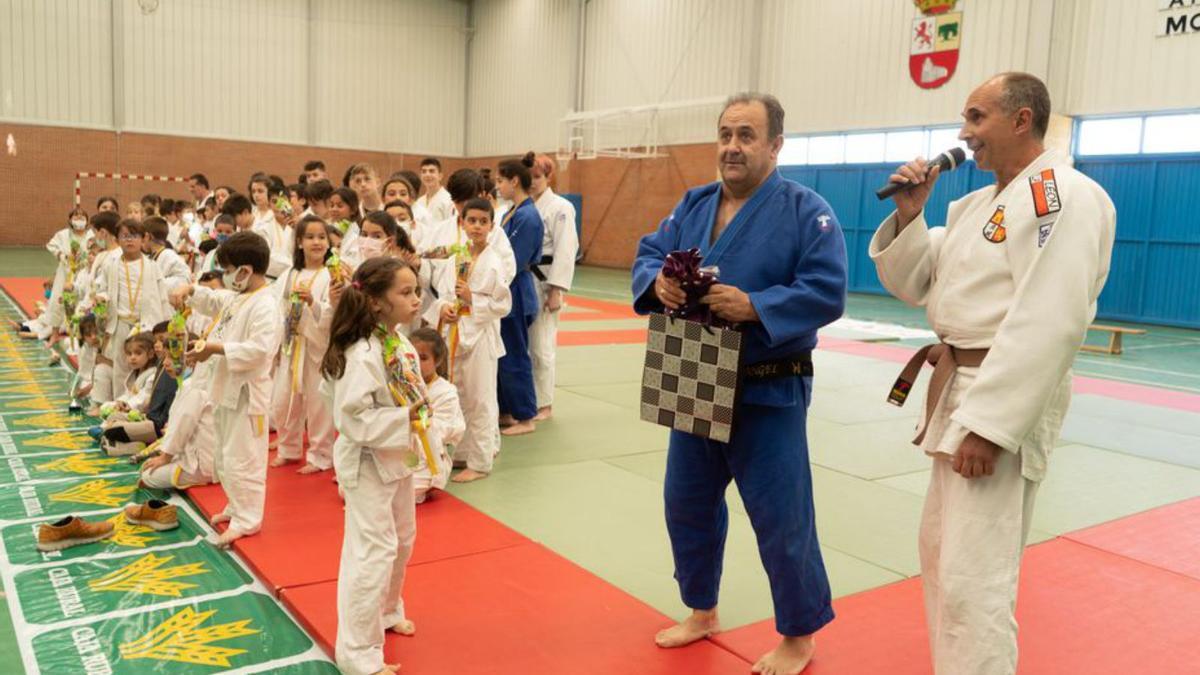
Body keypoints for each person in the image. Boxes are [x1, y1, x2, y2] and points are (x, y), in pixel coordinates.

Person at [869, 72, 1116, 675]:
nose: (964, 133)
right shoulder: (977, 204)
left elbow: (1050, 319)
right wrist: (910, 216)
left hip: (994, 398)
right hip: (957, 385)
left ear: (1022, 119)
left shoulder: (1063, 197)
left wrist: (990, 425)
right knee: (940, 558)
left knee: (973, 577)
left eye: (976, 118)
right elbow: (914, 285)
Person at [631, 92, 847, 675]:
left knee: (782, 514)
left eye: (747, 135)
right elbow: (649, 254)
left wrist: (758, 305)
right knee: (687, 503)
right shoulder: (692, 203)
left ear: (775, 145)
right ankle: (702, 609)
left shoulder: (808, 211)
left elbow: (828, 289)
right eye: (726, 133)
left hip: (768, 384)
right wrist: (659, 285)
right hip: (695, 369)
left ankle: (799, 635)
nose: (732, 146)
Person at [320, 257, 423, 675]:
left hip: (397, 455)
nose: (416, 300)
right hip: (366, 462)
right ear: (378, 303)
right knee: (372, 552)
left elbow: (413, 393)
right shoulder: (362, 352)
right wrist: (407, 420)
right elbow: (352, 419)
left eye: (416, 290)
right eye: (406, 292)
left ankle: (387, 609)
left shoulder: (398, 342)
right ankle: (358, 654)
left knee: (402, 540)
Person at [171, 231, 282, 548]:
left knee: (243, 459)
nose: (225, 277)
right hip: (226, 391)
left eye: (229, 270)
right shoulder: (239, 296)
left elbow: (259, 351)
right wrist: (189, 290)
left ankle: (248, 518)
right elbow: (214, 299)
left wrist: (214, 349)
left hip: (249, 396)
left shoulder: (266, 305)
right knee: (225, 456)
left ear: (245, 271)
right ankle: (236, 505)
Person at [427, 198, 511, 483]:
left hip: (480, 336)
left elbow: (503, 304)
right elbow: (440, 295)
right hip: (454, 332)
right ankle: (462, 452)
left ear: (491, 225)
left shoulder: (494, 260)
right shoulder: (454, 258)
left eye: (482, 221)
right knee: (458, 393)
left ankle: (481, 461)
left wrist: (472, 300)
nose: (476, 226)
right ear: (461, 223)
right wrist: (445, 309)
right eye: (471, 220)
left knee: (481, 399)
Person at [270, 216, 335, 474]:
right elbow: (276, 307)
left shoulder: (331, 275)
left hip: (316, 346)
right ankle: (288, 448)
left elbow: (334, 312)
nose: (316, 242)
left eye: (322, 237)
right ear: (299, 242)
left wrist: (313, 304)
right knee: (283, 400)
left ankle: (320, 455)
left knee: (318, 404)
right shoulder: (288, 274)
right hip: (290, 344)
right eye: (310, 237)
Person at [493, 153, 544, 437]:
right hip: (505, 289)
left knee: (514, 355)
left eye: (500, 181)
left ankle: (526, 416)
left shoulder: (528, 216)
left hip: (516, 290)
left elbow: (514, 259)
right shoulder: (512, 211)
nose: (498, 186)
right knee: (501, 355)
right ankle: (507, 411)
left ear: (514, 180)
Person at [94, 219, 169, 405]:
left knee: (148, 366)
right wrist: (101, 297)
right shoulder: (111, 265)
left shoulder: (152, 266)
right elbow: (100, 287)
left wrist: (166, 324)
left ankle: (143, 404)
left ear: (143, 238)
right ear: (117, 239)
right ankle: (118, 404)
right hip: (120, 322)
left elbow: (162, 297)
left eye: (134, 236)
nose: (129, 240)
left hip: (145, 324)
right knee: (121, 366)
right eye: (125, 236)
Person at [528, 154, 579, 421]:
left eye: (538, 176)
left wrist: (556, 289)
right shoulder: (523, 206)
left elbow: (566, 249)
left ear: (548, 177)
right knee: (524, 345)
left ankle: (544, 403)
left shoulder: (561, 207)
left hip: (545, 281)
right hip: (524, 281)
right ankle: (527, 400)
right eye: (530, 177)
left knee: (541, 345)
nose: (533, 182)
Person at [407, 328, 464, 502]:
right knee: (346, 489)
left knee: (400, 496)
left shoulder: (446, 392)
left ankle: (422, 488)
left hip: (430, 456)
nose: (415, 363)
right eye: (411, 357)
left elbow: (444, 432)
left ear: (438, 360)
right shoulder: (401, 383)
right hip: (401, 450)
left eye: (423, 358)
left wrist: (419, 419)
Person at [416, 157, 454, 223]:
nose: (427, 175)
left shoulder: (448, 200)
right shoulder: (419, 202)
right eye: (424, 171)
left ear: (440, 176)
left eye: (431, 171)